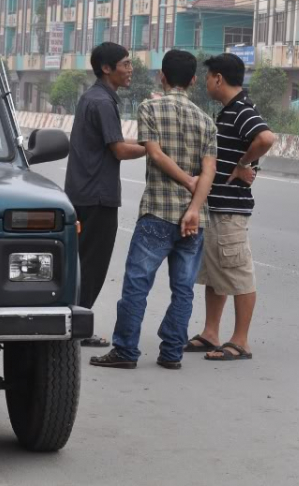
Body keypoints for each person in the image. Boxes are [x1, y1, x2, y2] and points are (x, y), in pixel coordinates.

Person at [90, 49, 217, 370]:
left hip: (157, 214)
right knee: (183, 289)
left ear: (162, 76)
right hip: (193, 219)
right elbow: (210, 172)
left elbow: (155, 155)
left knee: (136, 285)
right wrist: (194, 207)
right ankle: (172, 352)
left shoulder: (149, 108)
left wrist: (187, 182)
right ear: (193, 80)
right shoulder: (206, 121)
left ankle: (126, 351)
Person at [185, 54, 275, 361]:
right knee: (215, 274)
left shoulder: (242, 110)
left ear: (218, 78)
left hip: (230, 210)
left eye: (209, 76)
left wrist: (243, 164)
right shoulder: (228, 112)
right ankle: (211, 333)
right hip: (215, 207)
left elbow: (265, 137)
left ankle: (240, 341)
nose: (207, 81)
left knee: (237, 273)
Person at [64, 42, 146, 347]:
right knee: (92, 265)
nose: (130, 70)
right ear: (107, 68)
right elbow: (120, 150)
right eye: (125, 64)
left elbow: (116, 140)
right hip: (97, 196)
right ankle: (79, 326)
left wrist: (146, 140)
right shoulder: (102, 102)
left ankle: (72, 321)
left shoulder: (94, 97)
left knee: (81, 262)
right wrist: (153, 149)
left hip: (82, 192)